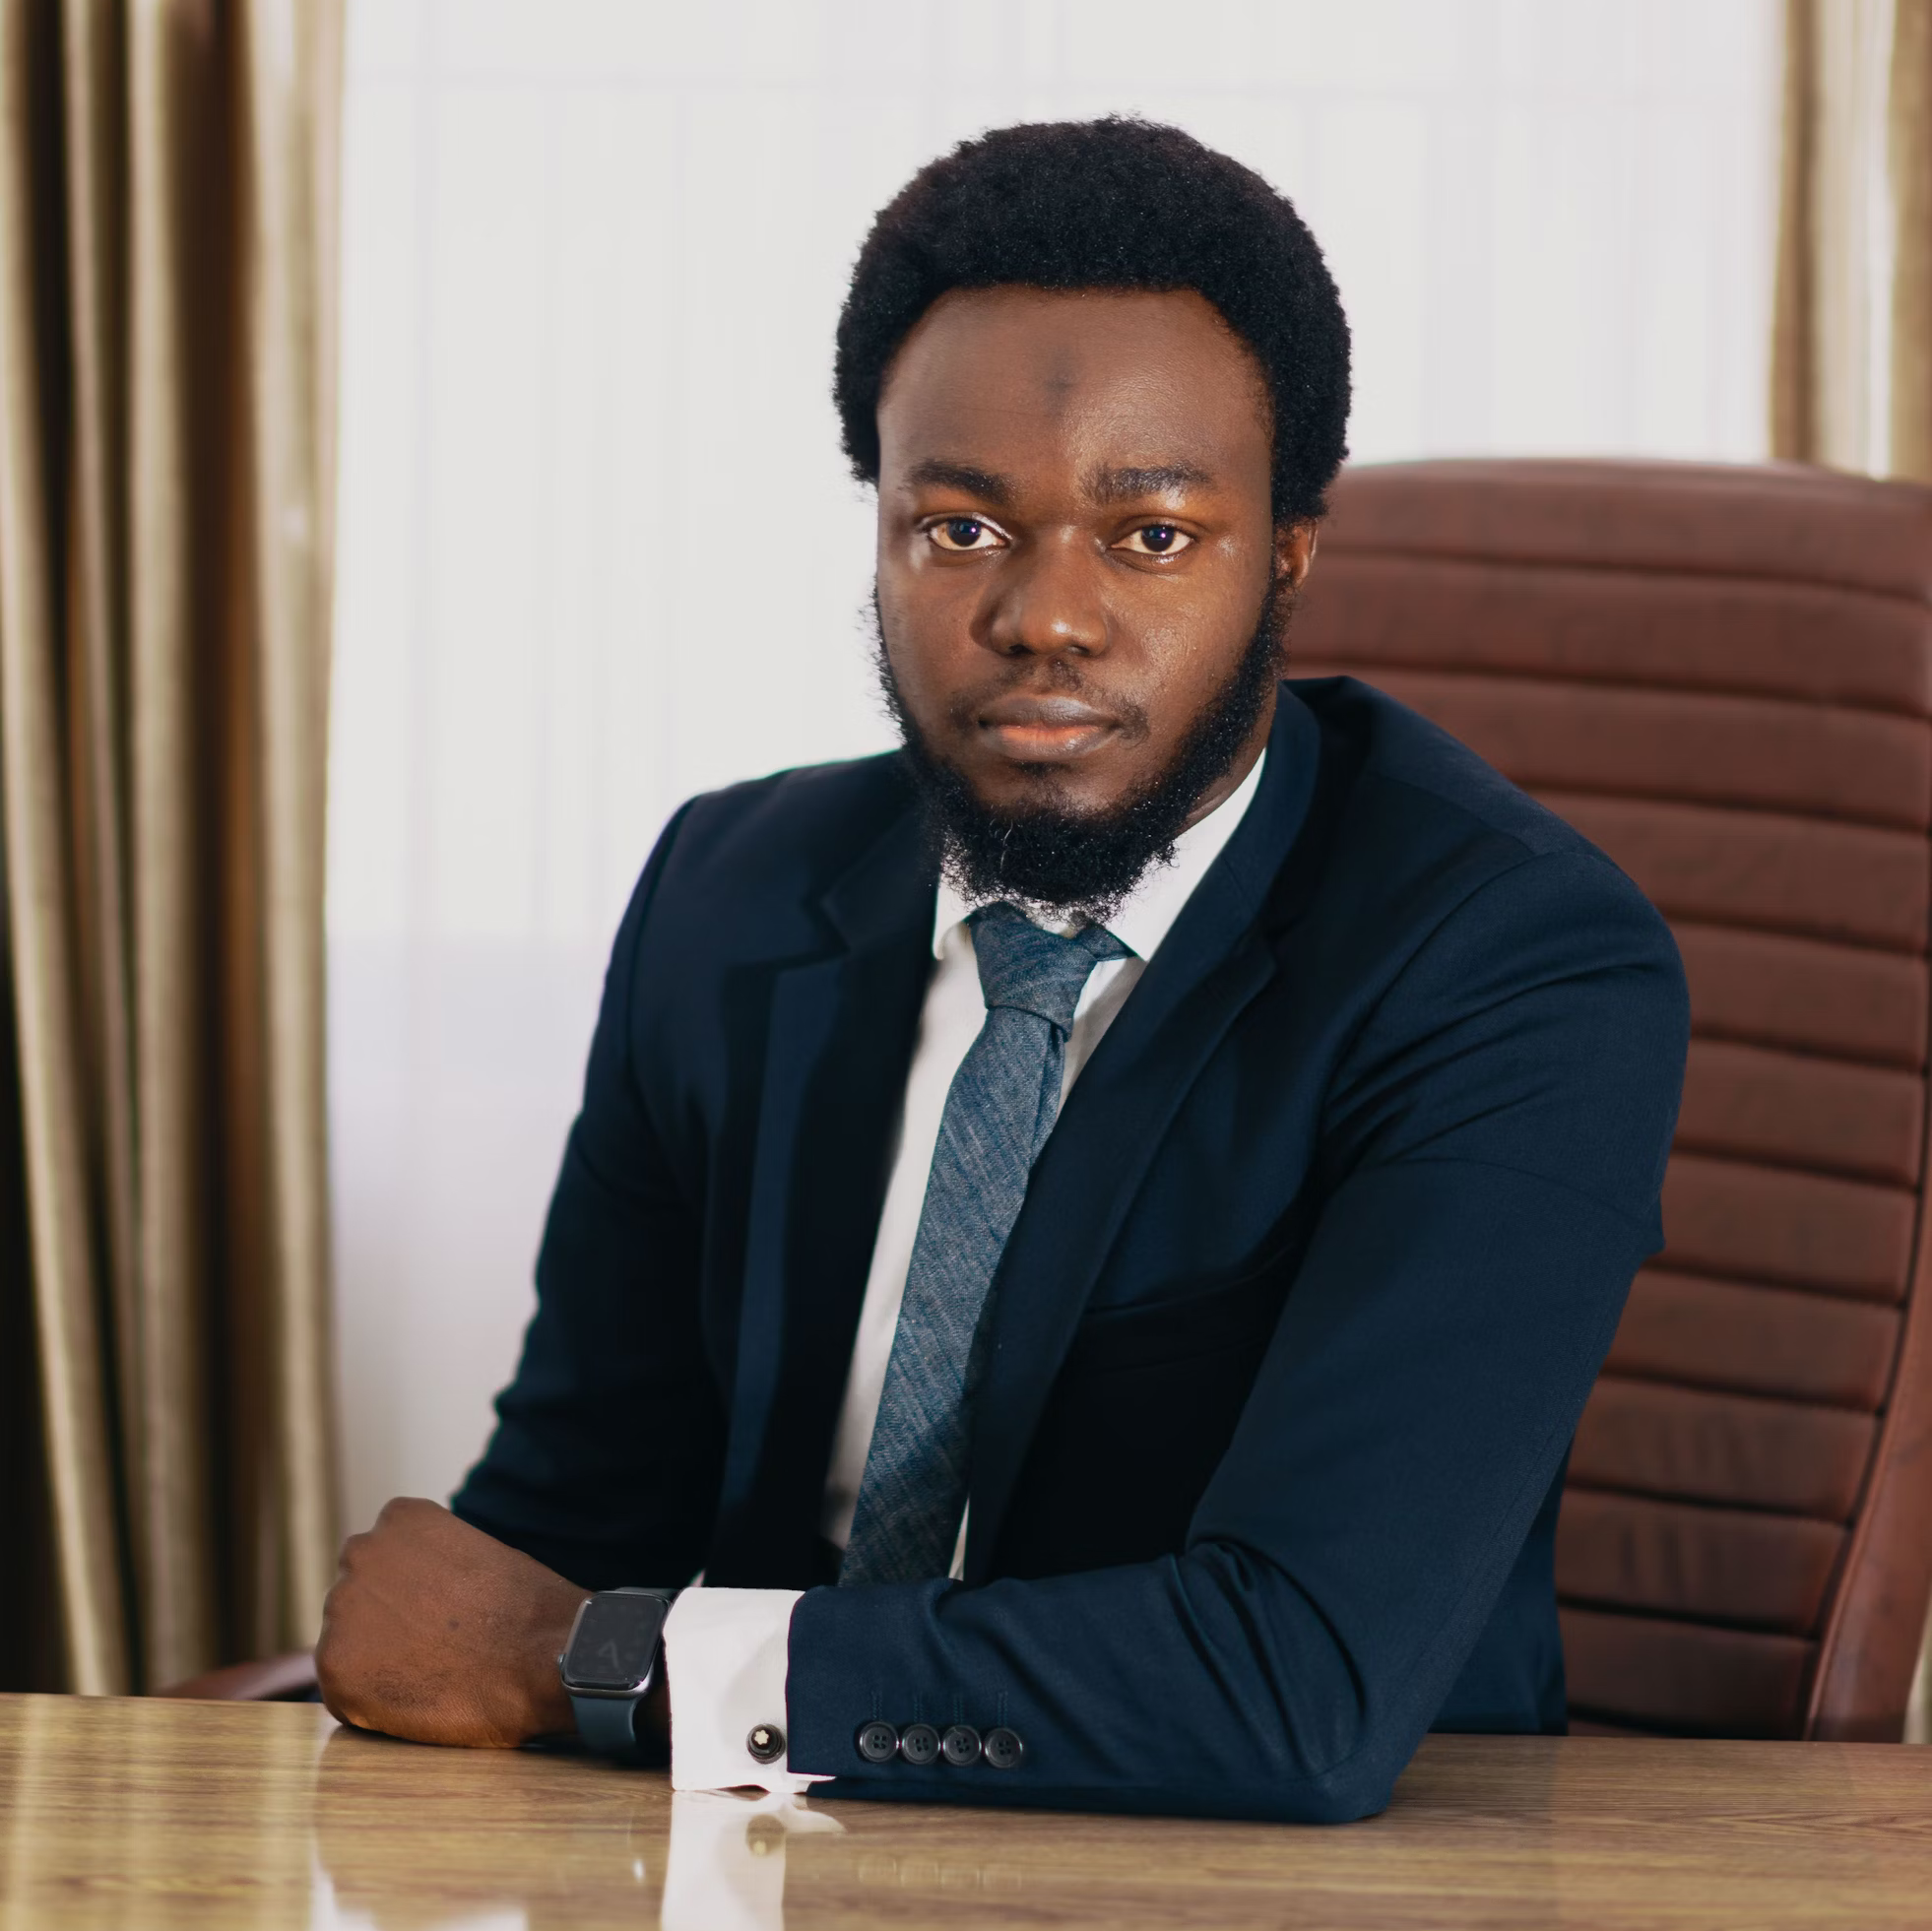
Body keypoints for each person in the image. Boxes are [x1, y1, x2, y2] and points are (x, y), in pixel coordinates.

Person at [314, 117, 1688, 1824]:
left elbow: (1300, 1688)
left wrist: (613, 1666)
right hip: (747, 1858)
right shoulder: (730, 892)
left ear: (1286, 553)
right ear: (877, 534)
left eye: (1152, 535)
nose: (1045, 615)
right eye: (960, 531)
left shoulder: (1509, 967)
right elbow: (565, 1527)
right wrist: (500, 1649)